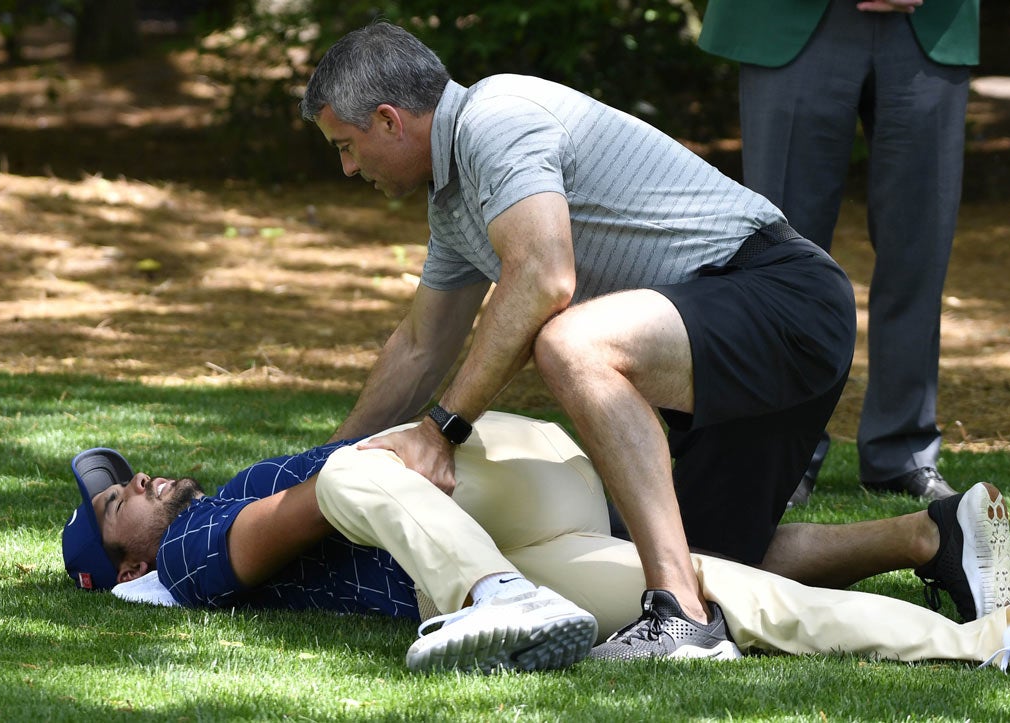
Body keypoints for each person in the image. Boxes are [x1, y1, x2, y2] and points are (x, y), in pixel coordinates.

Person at [297, 20, 858, 659]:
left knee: (572, 345)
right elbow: (421, 345)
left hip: (786, 298)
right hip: (731, 336)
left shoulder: (496, 117)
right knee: (695, 562)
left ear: (391, 121)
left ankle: (680, 623)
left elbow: (542, 276)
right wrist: (319, 471)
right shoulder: (452, 203)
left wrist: (440, 429)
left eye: (345, 144)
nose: (346, 167)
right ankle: (933, 539)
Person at [61, 411, 1010, 679]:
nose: (141, 482)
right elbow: (311, 504)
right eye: (120, 506)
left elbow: (354, 474)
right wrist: (357, 460)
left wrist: (365, 457)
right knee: (706, 589)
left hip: (499, 498)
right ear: (127, 568)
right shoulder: (191, 561)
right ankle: (1006, 647)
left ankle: (488, 596)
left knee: (350, 472)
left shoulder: (184, 535)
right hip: (519, 505)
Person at [699, 0, 979, 505]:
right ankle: (781, 452)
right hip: (786, 22)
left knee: (920, 248)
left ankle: (905, 451)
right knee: (781, 260)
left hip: (930, 20)